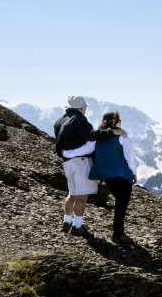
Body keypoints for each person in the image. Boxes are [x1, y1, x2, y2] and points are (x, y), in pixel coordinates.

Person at [54, 96, 126, 236]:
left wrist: (65, 153)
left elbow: (58, 143)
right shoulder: (79, 118)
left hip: (67, 163)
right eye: (85, 107)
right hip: (81, 162)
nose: (85, 110)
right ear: (81, 108)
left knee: (72, 193)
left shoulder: (59, 121)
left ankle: (67, 221)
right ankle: (78, 226)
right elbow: (91, 135)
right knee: (82, 196)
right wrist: (112, 132)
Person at [88, 111, 138, 245]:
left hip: (107, 176)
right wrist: (134, 173)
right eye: (119, 120)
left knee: (119, 202)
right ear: (115, 122)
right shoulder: (123, 137)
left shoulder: (98, 138)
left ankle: (118, 231)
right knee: (122, 203)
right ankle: (118, 234)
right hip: (122, 174)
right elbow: (130, 158)